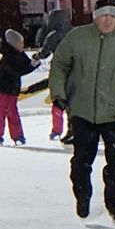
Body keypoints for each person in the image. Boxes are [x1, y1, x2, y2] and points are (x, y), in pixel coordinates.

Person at [47, 0, 115, 224]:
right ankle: (83, 196)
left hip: (113, 112)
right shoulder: (77, 38)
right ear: (95, 17)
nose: (107, 20)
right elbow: (59, 65)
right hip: (82, 111)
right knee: (81, 162)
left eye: (112, 16)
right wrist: (59, 94)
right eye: (103, 15)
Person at [0, 29, 37, 146]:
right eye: (21, 43)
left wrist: (34, 62)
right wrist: (32, 67)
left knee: (12, 111)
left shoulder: (20, 54)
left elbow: (26, 65)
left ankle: (18, 136)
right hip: (2, 86)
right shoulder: (7, 57)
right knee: (0, 111)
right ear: (14, 44)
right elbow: (17, 71)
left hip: (12, 87)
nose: (23, 46)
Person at [40, 7, 72, 141]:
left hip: (59, 71)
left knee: (58, 102)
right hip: (76, 71)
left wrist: (37, 56)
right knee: (74, 102)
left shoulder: (53, 35)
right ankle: (74, 128)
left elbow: (45, 52)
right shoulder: (75, 33)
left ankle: (57, 130)